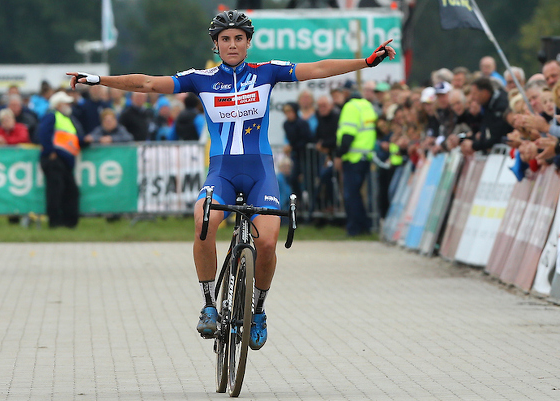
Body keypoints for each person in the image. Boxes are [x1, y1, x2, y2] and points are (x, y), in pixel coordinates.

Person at [68, 9, 395, 350]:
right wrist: (98, 80)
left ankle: (259, 309)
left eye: (239, 38)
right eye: (225, 39)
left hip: (260, 171)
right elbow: (149, 83)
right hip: (222, 171)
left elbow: (316, 69)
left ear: (248, 42)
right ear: (216, 45)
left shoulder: (267, 72)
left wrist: (366, 62)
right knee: (202, 222)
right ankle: (209, 303)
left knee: (267, 243)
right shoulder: (201, 78)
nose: (232, 44)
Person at [37, 91, 83, 228]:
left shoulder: (66, 118)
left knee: (70, 192)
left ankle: (69, 222)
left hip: (65, 161)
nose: (69, 105)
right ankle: (55, 222)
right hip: (54, 160)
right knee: (55, 193)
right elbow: (43, 134)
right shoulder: (52, 116)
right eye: (66, 103)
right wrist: (50, 152)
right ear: (58, 105)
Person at [336, 92, 377, 236]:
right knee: (356, 195)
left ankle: (354, 228)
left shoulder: (350, 107)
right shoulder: (367, 105)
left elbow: (348, 136)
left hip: (353, 157)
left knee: (350, 195)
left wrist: (338, 155)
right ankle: (365, 226)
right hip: (365, 156)